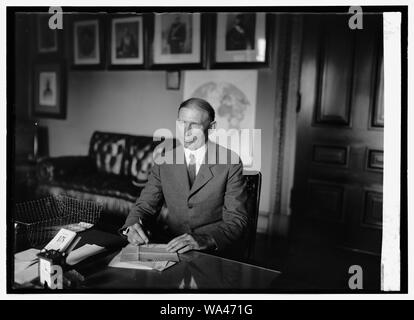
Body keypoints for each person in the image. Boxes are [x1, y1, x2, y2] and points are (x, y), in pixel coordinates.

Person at [120, 98, 249, 258]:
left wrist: (206, 239)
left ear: (212, 127)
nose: (186, 131)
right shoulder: (164, 160)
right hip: (172, 247)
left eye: (194, 124)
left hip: (213, 252)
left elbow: (237, 220)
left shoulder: (230, 162)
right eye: (181, 123)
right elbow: (145, 206)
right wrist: (131, 226)